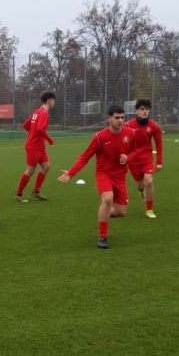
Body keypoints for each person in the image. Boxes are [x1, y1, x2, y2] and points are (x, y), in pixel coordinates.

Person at [57, 104, 136, 249]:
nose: (120, 120)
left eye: (122, 118)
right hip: (103, 174)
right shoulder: (99, 137)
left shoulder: (130, 133)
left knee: (121, 212)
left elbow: (136, 151)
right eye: (117, 118)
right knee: (107, 199)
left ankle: (103, 215)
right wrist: (71, 173)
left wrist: (128, 157)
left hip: (120, 177)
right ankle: (103, 237)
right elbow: (84, 157)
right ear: (109, 118)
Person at [124, 98, 163, 218]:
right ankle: (141, 191)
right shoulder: (128, 125)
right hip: (133, 160)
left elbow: (159, 144)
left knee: (149, 181)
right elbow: (122, 142)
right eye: (142, 109)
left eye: (147, 109)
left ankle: (149, 210)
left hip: (147, 158)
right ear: (136, 111)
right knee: (141, 185)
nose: (145, 111)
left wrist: (159, 162)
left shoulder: (153, 126)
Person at [15, 91, 56, 202]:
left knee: (46, 167)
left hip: (39, 146)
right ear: (49, 101)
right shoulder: (44, 113)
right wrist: (49, 139)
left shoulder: (37, 112)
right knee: (31, 170)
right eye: (53, 100)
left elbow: (25, 125)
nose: (54, 102)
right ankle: (18, 193)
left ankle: (36, 191)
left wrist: (33, 133)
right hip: (34, 146)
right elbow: (40, 129)